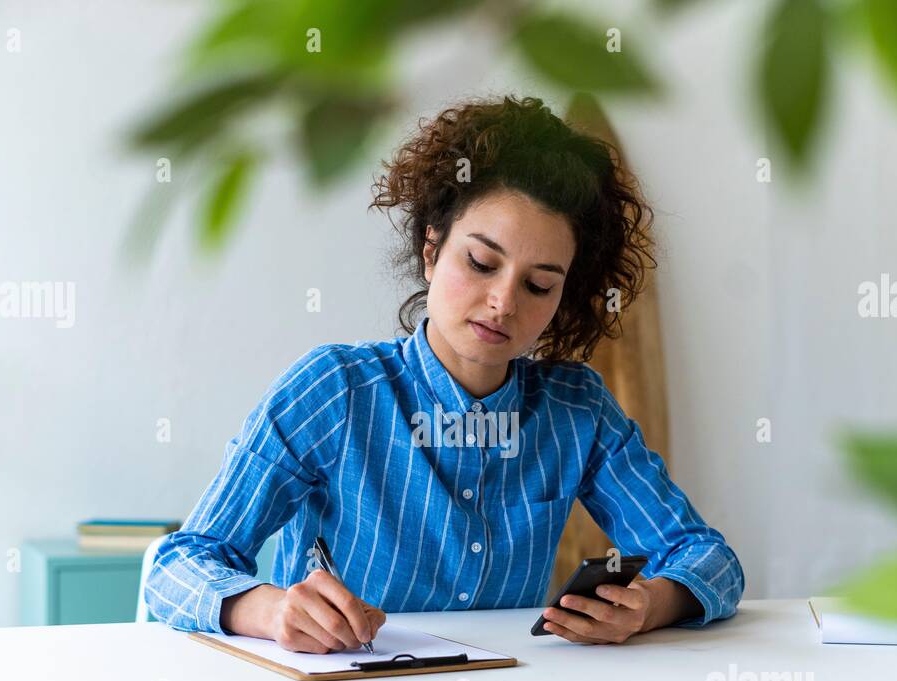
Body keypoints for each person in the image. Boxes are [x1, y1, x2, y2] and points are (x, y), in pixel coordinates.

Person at [145, 94, 744, 653]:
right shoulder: (334, 392)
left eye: (539, 284)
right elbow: (177, 566)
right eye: (481, 262)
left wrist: (650, 604)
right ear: (431, 251)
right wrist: (269, 610)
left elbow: (708, 557)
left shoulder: (576, 408)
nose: (504, 302)